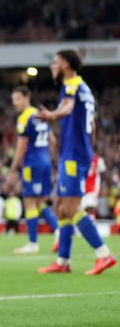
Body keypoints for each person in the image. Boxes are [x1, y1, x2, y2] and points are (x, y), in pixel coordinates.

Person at [37, 50, 115, 275]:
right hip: (76, 152)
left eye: (55, 61)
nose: (52, 65)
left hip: (74, 155)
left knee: (71, 207)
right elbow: (92, 126)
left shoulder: (71, 84)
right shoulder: (85, 89)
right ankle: (63, 261)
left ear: (65, 64)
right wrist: (87, 150)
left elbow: (68, 107)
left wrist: (52, 115)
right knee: (61, 207)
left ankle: (104, 254)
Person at [4, 86, 59, 254]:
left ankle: (33, 243)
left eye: (18, 99)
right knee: (40, 202)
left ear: (26, 97)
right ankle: (59, 231)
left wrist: (12, 170)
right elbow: (52, 140)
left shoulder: (24, 118)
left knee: (29, 201)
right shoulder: (40, 114)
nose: (15, 103)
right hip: (45, 161)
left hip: (32, 163)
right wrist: (47, 159)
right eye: (13, 100)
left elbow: (21, 148)